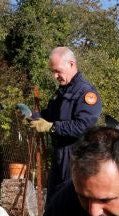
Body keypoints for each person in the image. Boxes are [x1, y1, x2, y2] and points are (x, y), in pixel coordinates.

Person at [27, 47, 102, 197]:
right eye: (53, 71)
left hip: (77, 158)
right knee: (54, 206)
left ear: (71, 64)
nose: (55, 76)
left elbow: (83, 126)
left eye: (58, 71)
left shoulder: (86, 93)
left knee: (70, 207)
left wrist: (52, 127)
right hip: (59, 156)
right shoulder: (62, 92)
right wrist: (32, 116)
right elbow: (50, 115)